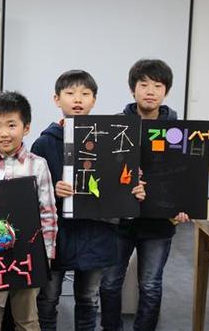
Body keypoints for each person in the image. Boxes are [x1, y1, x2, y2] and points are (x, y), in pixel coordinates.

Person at [32, 70, 146, 331]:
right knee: (48, 298)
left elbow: (121, 182)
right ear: (56, 99)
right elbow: (31, 194)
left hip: (97, 231)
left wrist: (132, 193)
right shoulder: (44, 143)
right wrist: (52, 191)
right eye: (70, 93)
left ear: (94, 100)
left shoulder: (111, 140)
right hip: (58, 235)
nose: (77, 99)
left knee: (88, 299)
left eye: (85, 94)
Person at [99, 59, 190, 331]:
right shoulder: (115, 126)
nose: (150, 91)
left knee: (150, 285)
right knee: (109, 282)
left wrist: (184, 206)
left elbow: (186, 177)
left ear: (166, 91)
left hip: (159, 222)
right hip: (120, 222)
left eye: (158, 85)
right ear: (133, 90)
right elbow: (103, 170)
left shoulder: (180, 131)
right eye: (144, 84)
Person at [0, 91, 57, 331]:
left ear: (26, 128)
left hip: (27, 256)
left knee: (27, 320)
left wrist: (46, 254)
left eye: (11, 125)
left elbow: (48, 212)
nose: (4, 133)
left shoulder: (37, 165)